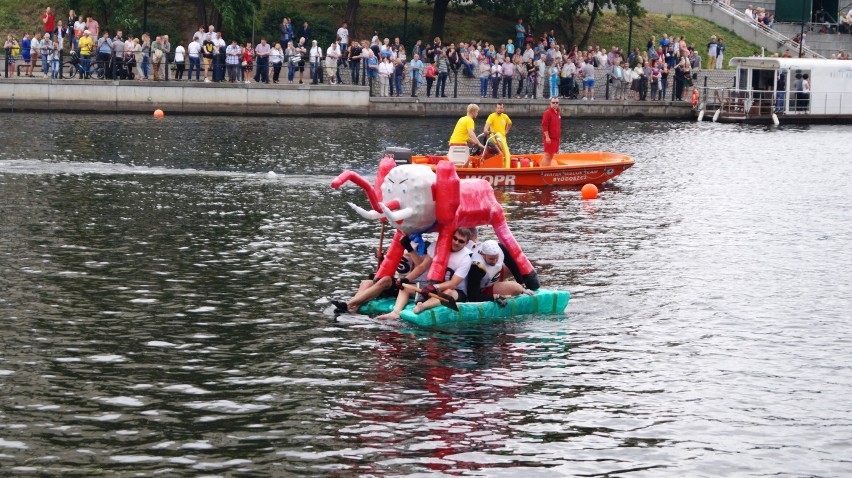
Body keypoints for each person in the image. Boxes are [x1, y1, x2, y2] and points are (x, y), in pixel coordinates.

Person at [376, 228, 473, 320]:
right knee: (405, 287)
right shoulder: (437, 246)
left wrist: (435, 287)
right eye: (455, 238)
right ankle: (396, 313)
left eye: (461, 241)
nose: (456, 242)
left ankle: (422, 307)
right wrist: (406, 279)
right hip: (434, 286)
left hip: (455, 291)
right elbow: (422, 267)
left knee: (448, 292)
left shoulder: (465, 259)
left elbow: (453, 284)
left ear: (466, 243)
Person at [466, 240, 530, 305]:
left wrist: (522, 284)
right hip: (483, 288)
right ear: (483, 255)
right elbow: (473, 297)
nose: (494, 261)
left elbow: (512, 264)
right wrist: (495, 297)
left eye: (496, 258)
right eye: (491, 259)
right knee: (518, 289)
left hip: (493, 277)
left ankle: (520, 285)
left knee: (518, 264)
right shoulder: (476, 267)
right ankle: (504, 288)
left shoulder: (500, 248)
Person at [482, 103, 512, 167]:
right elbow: (486, 127)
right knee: (499, 154)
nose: (499, 109)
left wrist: (506, 131)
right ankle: (488, 163)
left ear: (503, 109)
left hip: (502, 139)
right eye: (498, 108)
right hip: (493, 139)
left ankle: (504, 166)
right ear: (496, 108)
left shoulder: (505, 116)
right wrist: (486, 130)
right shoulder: (491, 116)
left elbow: (510, 123)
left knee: (506, 154)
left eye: (501, 108)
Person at [541, 97, 561, 167]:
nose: (555, 104)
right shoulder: (547, 113)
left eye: (557, 103)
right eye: (553, 103)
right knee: (547, 155)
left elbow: (557, 126)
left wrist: (558, 138)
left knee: (551, 155)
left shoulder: (558, 112)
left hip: (556, 138)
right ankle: (543, 170)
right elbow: (544, 125)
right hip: (550, 138)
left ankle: (547, 168)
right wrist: (547, 137)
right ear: (550, 103)